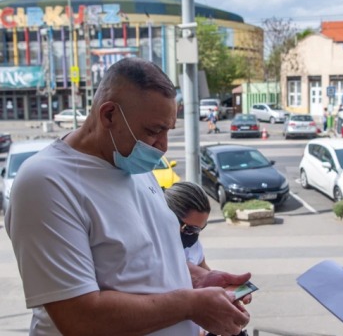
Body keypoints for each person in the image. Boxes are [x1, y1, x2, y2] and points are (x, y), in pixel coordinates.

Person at [5, 57, 250, 336]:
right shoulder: (47, 183)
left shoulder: (129, 161)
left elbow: (145, 258)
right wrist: (191, 306)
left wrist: (199, 279)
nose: (163, 146)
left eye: (168, 130)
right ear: (109, 115)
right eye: (154, 131)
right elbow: (79, 318)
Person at [164, 181, 251, 336]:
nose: (193, 235)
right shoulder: (150, 249)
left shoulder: (193, 244)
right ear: (168, 217)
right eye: (189, 229)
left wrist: (228, 292)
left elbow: (205, 273)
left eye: (199, 229)